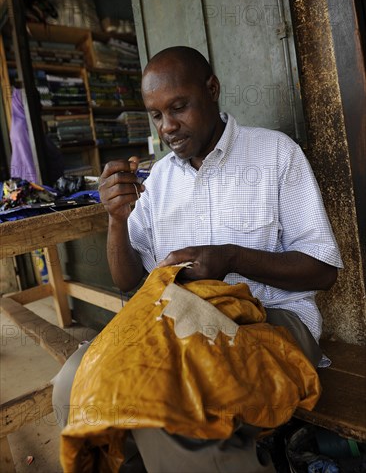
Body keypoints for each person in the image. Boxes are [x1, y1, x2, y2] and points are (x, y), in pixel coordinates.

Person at [52, 46, 343, 472]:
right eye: (155, 115)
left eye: (179, 107)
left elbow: (324, 270)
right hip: (178, 322)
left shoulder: (275, 155)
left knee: (168, 403)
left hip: (270, 321)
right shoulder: (158, 179)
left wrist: (232, 257)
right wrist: (116, 219)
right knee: (73, 383)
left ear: (212, 89)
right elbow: (127, 281)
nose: (167, 127)